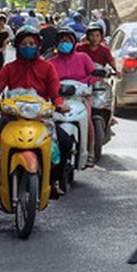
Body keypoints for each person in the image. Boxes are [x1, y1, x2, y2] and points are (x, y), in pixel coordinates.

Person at [0, 27, 66, 194]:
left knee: (65, 142)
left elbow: (55, 91)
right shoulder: (9, 68)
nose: (28, 46)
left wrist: (59, 103)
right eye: (24, 44)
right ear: (18, 46)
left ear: (38, 46)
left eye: (32, 43)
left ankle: (53, 181)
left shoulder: (47, 67)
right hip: (13, 116)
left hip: (40, 117)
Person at [49, 27, 98, 167]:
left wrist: (85, 85)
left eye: (68, 40)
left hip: (80, 96)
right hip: (59, 98)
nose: (65, 43)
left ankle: (91, 152)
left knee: (87, 119)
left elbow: (94, 74)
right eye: (62, 40)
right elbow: (46, 80)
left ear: (74, 42)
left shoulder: (83, 58)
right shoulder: (51, 63)